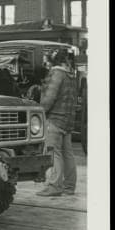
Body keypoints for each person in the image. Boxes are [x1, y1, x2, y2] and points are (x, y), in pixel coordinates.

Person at [36, 47, 79, 197]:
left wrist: (40, 112)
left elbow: (49, 99)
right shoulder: (71, 75)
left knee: (54, 153)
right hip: (68, 121)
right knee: (68, 153)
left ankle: (54, 186)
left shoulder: (56, 74)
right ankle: (69, 186)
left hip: (54, 120)